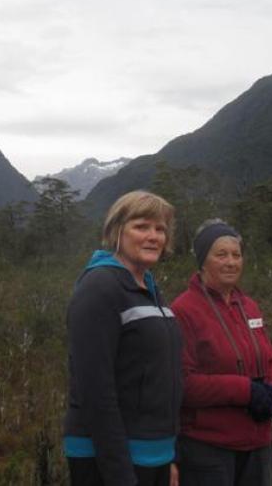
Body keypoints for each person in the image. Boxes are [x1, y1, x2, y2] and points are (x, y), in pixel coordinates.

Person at [63, 190, 183, 486]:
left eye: (160, 229)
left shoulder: (149, 287)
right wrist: (119, 474)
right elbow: (96, 393)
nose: (153, 236)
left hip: (154, 452)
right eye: (141, 226)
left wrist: (168, 457)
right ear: (117, 231)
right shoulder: (99, 287)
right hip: (108, 458)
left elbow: (160, 377)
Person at [170, 220, 272, 486]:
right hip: (209, 449)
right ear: (202, 261)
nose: (231, 262)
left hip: (258, 444)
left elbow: (270, 360)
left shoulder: (249, 306)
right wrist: (246, 391)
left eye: (236, 255)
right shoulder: (183, 311)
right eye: (221, 254)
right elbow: (184, 384)